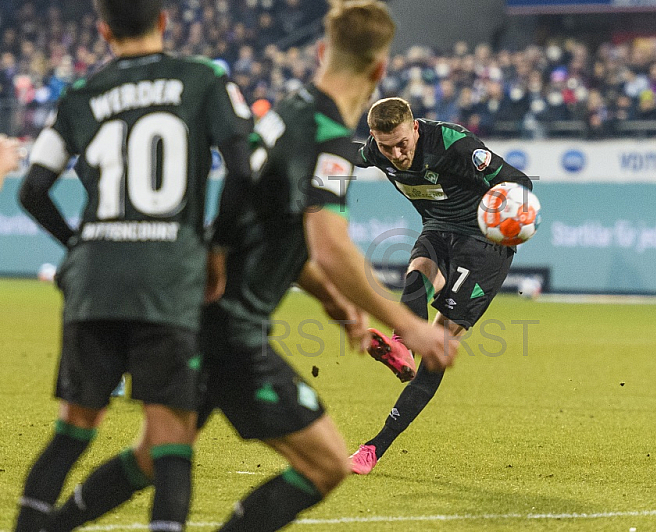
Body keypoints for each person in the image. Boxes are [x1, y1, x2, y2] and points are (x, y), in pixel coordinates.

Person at [41, 1, 457, 531]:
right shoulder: (329, 136)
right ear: (378, 71)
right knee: (326, 463)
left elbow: (278, 233)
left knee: (151, 457)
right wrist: (409, 326)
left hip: (200, 309)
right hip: (233, 327)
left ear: (322, 51)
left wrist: (337, 307)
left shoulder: (288, 110)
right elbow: (329, 245)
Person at [14, 0, 253, 529]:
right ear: (163, 21)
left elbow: (32, 190)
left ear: (103, 31)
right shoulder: (204, 79)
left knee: (72, 432)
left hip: (94, 282)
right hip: (167, 280)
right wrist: (216, 248)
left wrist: (78, 246)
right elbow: (243, 170)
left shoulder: (81, 94)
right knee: (170, 441)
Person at [349, 96, 533, 474]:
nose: (397, 154)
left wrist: (512, 220)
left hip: (485, 245)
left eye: (403, 143)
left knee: (439, 348)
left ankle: (375, 446)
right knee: (417, 274)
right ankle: (402, 348)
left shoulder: (452, 143)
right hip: (439, 229)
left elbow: (519, 182)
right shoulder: (377, 151)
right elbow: (347, 153)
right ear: (374, 138)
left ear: (415, 127)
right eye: (387, 147)